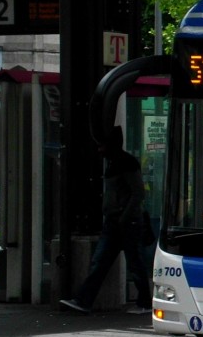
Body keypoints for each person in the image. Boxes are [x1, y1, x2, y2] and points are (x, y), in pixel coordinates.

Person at [60, 127, 152, 314]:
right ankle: (85, 300)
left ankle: (142, 302)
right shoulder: (120, 163)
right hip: (120, 221)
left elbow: (138, 193)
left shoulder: (123, 164)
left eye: (103, 146)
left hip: (124, 221)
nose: (100, 150)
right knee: (114, 262)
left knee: (120, 262)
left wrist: (124, 216)